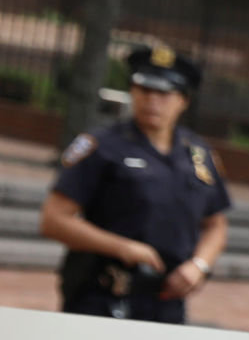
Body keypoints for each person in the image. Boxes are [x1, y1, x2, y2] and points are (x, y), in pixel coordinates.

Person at [39, 44, 231, 323]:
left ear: (183, 100)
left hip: (167, 301)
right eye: (144, 90)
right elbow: (54, 219)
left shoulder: (199, 155)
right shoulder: (102, 146)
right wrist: (122, 247)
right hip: (102, 297)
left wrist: (199, 265)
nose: (152, 100)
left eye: (164, 93)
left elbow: (216, 224)